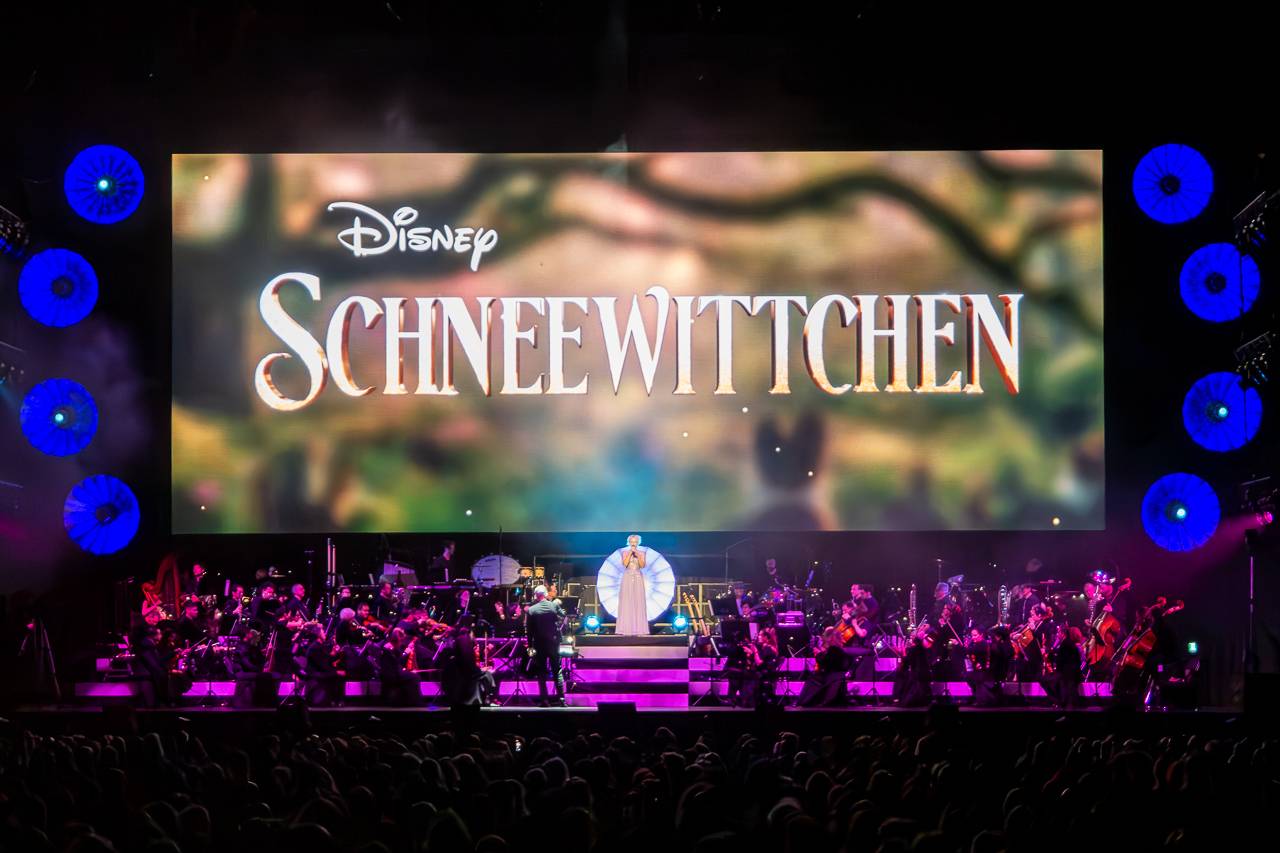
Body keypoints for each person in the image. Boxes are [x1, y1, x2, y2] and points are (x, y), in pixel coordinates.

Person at [525, 585, 567, 706]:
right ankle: (561, 699)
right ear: (545, 594)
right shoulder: (553, 605)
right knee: (557, 670)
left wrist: (530, 648)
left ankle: (544, 700)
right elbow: (563, 615)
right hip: (553, 643)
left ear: (536, 596)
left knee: (541, 671)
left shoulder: (531, 610)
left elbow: (529, 632)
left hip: (539, 644)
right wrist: (557, 624)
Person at [796, 627, 848, 707]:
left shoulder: (834, 649)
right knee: (814, 676)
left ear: (830, 638)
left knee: (812, 679)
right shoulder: (837, 649)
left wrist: (818, 654)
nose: (823, 639)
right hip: (834, 676)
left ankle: (805, 701)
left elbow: (826, 663)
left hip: (831, 678)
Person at [616, 534, 649, 636]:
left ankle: (639, 629)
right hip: (627, 577)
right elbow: (625, 564)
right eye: (632, 542)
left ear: (638, 543)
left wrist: (637, 554)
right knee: (627, 601)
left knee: (638, 600)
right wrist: (630, 553)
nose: (633, 543)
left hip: (638, 577)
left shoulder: (642, 553)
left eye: (635, 542)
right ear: (629, 543)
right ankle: (626, 629)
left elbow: (642, 565)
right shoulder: (625, 552)